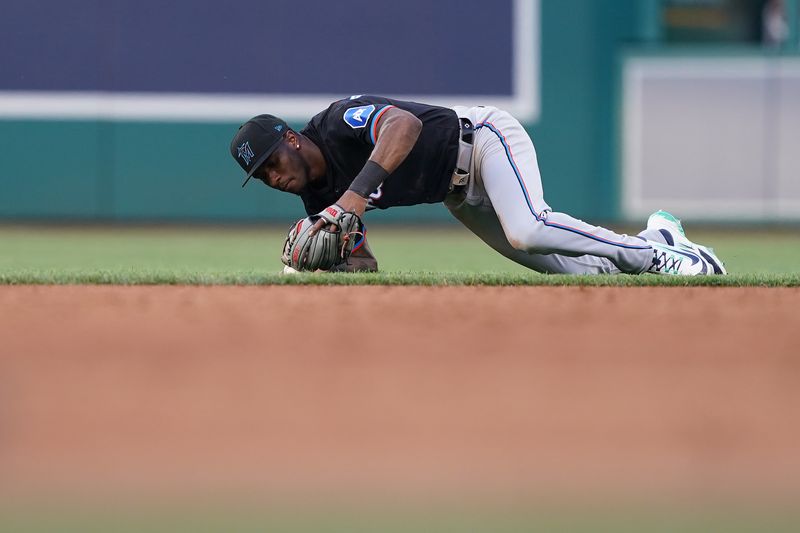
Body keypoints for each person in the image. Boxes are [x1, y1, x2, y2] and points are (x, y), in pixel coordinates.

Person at [230, 95, 726, 275]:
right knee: (577, 274)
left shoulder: (338, 121)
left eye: (272, 162)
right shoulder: (315, 197)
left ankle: (662, 259)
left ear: (291, 139)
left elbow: (404, 125)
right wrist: (333, 262)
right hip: (457, 194)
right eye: (263, 176)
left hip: (484, 141)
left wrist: (352, 200)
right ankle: (659, 238)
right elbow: (363, 260)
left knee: (529, 229)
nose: (274, 178)